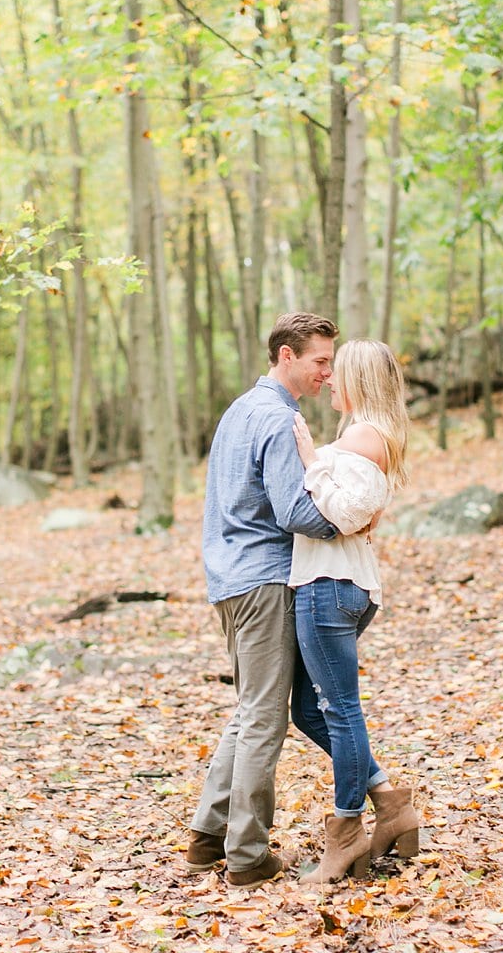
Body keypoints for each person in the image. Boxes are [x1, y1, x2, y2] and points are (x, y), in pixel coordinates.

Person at [185, 312, 341, 888]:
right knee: (264, 720)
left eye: (329, 361)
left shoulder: (239, 410)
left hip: (229, 579)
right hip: (265, 580)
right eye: (319, 360)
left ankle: (207, 836)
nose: (327, 372)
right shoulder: (276, 419)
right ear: (286, 357)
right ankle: (248, 857)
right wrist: (349, 518)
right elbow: (294, 512)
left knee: (251, 710)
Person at [288, 339, 420, 884]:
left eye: (337, 373)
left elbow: (344, 514)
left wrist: (309, 460)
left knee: (340, 712)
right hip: (339, 583)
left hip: (330, 585)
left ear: (360, 380)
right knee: (311, 712)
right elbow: (359, 511)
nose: (329, 382)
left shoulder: (363, 435)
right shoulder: (364, 436)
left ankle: (346, 835)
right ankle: (390, 803)